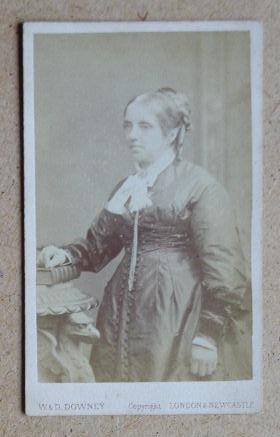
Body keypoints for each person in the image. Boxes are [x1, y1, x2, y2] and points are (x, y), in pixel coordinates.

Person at [38, 87, 250, 382]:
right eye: (128, 125)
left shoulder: (201, 186)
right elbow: (99, 247)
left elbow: (226, 273)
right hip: (121, 316)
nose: (132, 135)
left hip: (175, 320)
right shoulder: (129, 186)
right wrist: (68, 253)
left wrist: (208, 336)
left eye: (144, 126)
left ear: (173, 133)